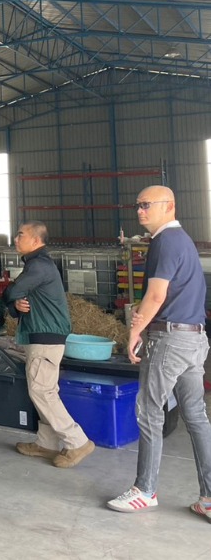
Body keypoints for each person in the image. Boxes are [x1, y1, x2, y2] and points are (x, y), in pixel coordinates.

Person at [107, 186, 211, 516]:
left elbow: (155, 296)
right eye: (137, 205)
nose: (140, 210)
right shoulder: (182, 241)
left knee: (150, 411)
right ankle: (209, 498)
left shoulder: (165, 241)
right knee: (195, 415)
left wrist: (135, 330)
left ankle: (145, 490)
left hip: (170, 340)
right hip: (194, 339)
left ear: (169, 206)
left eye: (146, 205)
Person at [5, 222, 93, 468]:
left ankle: (77, 441)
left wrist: (10, 296)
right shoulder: (37, 264)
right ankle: (46, 443)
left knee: (42, 391)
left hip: (46, 337)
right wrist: (15, 305)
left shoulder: (39, 266)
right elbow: (18, 298)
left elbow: (12, 290)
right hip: (41, 334)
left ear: (36, 240)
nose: (15, 239)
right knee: (44, 389)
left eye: (20, 235)